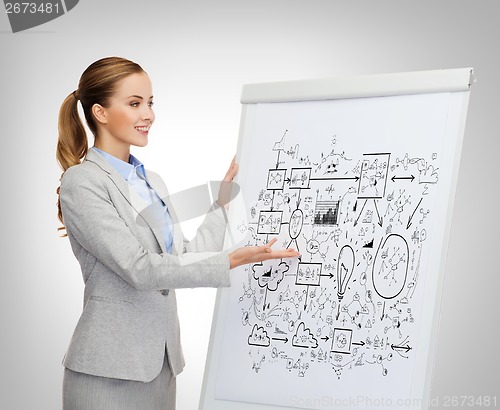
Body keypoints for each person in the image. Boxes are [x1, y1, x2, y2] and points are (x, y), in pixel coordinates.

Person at [55, 56, 300, 410]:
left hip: (161, 366)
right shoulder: (82, 183)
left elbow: (180, 257)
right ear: (100, 112)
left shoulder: (150, 181)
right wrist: (226, 262)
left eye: (150, 103)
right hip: (108, 371)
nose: (149, 114)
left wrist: (221, 204)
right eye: (135, 103)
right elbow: (139, 268)